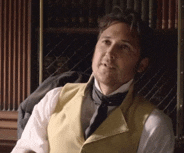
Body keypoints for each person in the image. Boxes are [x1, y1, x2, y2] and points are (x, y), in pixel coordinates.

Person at [12, 7, 174, 153]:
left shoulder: (154, 125)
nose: (109, 53)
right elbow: (25, 148)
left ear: (142, 65)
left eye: (124, 47)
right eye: (106, 42)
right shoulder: (54, 99)